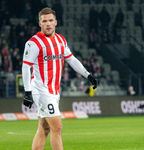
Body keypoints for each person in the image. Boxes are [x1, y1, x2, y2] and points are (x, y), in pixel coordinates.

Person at [22, 7, 98, 150]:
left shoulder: (61, 40)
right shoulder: (33, 43)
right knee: (57, 127)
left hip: (54, 91)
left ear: (56, 22)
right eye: (44, 21)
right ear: (40, 23)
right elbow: (26, 67)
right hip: (41, 90)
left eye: (50, 20)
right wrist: (27, 91)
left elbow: (71, 60)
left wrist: (88, 75)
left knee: (44, 129)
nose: (48, 24)